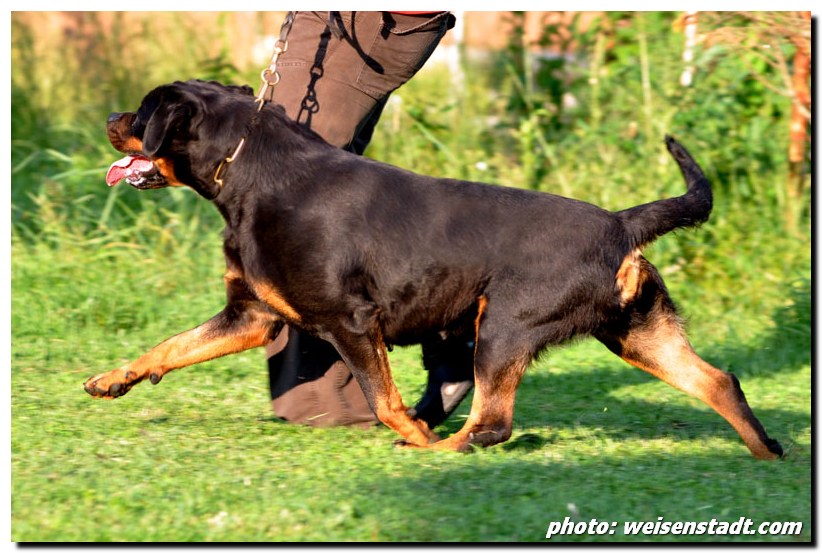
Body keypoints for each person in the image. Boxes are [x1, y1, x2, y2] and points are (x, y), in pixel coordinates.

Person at [266, 11, 475, 429]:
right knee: (313, 208)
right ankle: (444, 336)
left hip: (360, 23)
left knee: (282, 201)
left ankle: (449, 331)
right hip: (361, 24)